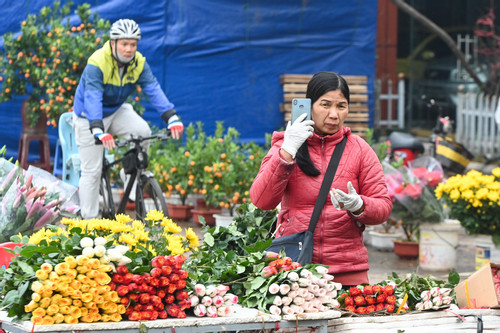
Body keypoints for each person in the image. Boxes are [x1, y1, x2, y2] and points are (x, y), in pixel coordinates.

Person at [250, 71, 392, 287]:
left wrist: (359, 205)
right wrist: (287, 152)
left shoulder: (360, 150)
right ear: (309, 106)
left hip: (347, 271)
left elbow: (383, 206)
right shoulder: (287, 145)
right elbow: (261, 200)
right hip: (296, 270)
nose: (334, 114)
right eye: (325, 105)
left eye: (341, 106)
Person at [73, 19, 184, 219]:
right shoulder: (97, 62)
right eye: (124, 44)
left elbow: (153, 89)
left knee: (143, 132)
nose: (129, 49)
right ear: (113, 43)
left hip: (116, 110)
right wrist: (98, 130)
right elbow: (92, 98)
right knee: (92, 171)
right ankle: (88, 223)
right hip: (88, 116)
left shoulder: (139, 62)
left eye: (133, 44)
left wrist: (172, 117)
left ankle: (130, 176)